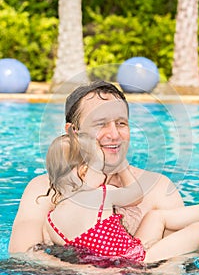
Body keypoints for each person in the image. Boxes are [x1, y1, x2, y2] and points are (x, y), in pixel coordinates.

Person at [9, 80, 185, 256]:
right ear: (73, 132)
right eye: (100, 124)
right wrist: (91, 272)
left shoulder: (159, 189)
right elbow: (23, 257)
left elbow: (188, 260)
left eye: (121, 123)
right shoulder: (42, 190)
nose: (114, 135)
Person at [43, 128, 199, 264]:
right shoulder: (103, 194)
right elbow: (136, 196)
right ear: (84, 172)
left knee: (155, 216)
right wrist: (122, 166)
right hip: (138, 262)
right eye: (101, 167)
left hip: (116, 265)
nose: (106, 172)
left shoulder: (50, 222)